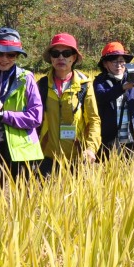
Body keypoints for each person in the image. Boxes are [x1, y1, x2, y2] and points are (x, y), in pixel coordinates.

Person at [0, 27, 43, 186]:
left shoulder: (26, 79)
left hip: (21, 152)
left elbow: (36, 117)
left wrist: (4, 116)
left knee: (23, 204)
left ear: (17, 56)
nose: (4, 58)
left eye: (10, 54)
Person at [36, 33, 101, 173]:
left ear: (74, 57)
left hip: (78, 159)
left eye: (66, 53)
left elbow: (94, 120)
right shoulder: (41, 85)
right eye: (55, 53)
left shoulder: (85, 85)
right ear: (51, 58)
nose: (61, 57)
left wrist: (91, 148)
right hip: (47, 158)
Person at [94, 41, 134, 158]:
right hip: (111, 140)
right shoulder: (100, 82)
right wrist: (122, 87)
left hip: (133, 138)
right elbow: (102, 97)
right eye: (114, 61)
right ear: (105, 64)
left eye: (121, 61)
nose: (118, 65)